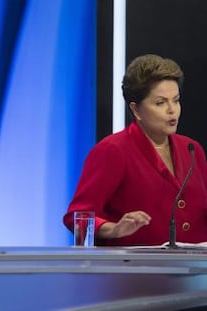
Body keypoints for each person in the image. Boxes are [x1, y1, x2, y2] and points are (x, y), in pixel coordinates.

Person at [63, 54, 207, 246]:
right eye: (160, 103)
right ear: (136, 110)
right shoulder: (113, 150)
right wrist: (113, 229)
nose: (172, 110)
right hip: (134, 271)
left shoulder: (191, 149)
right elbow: (76, 217)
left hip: (194, 270)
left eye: (176, 100)